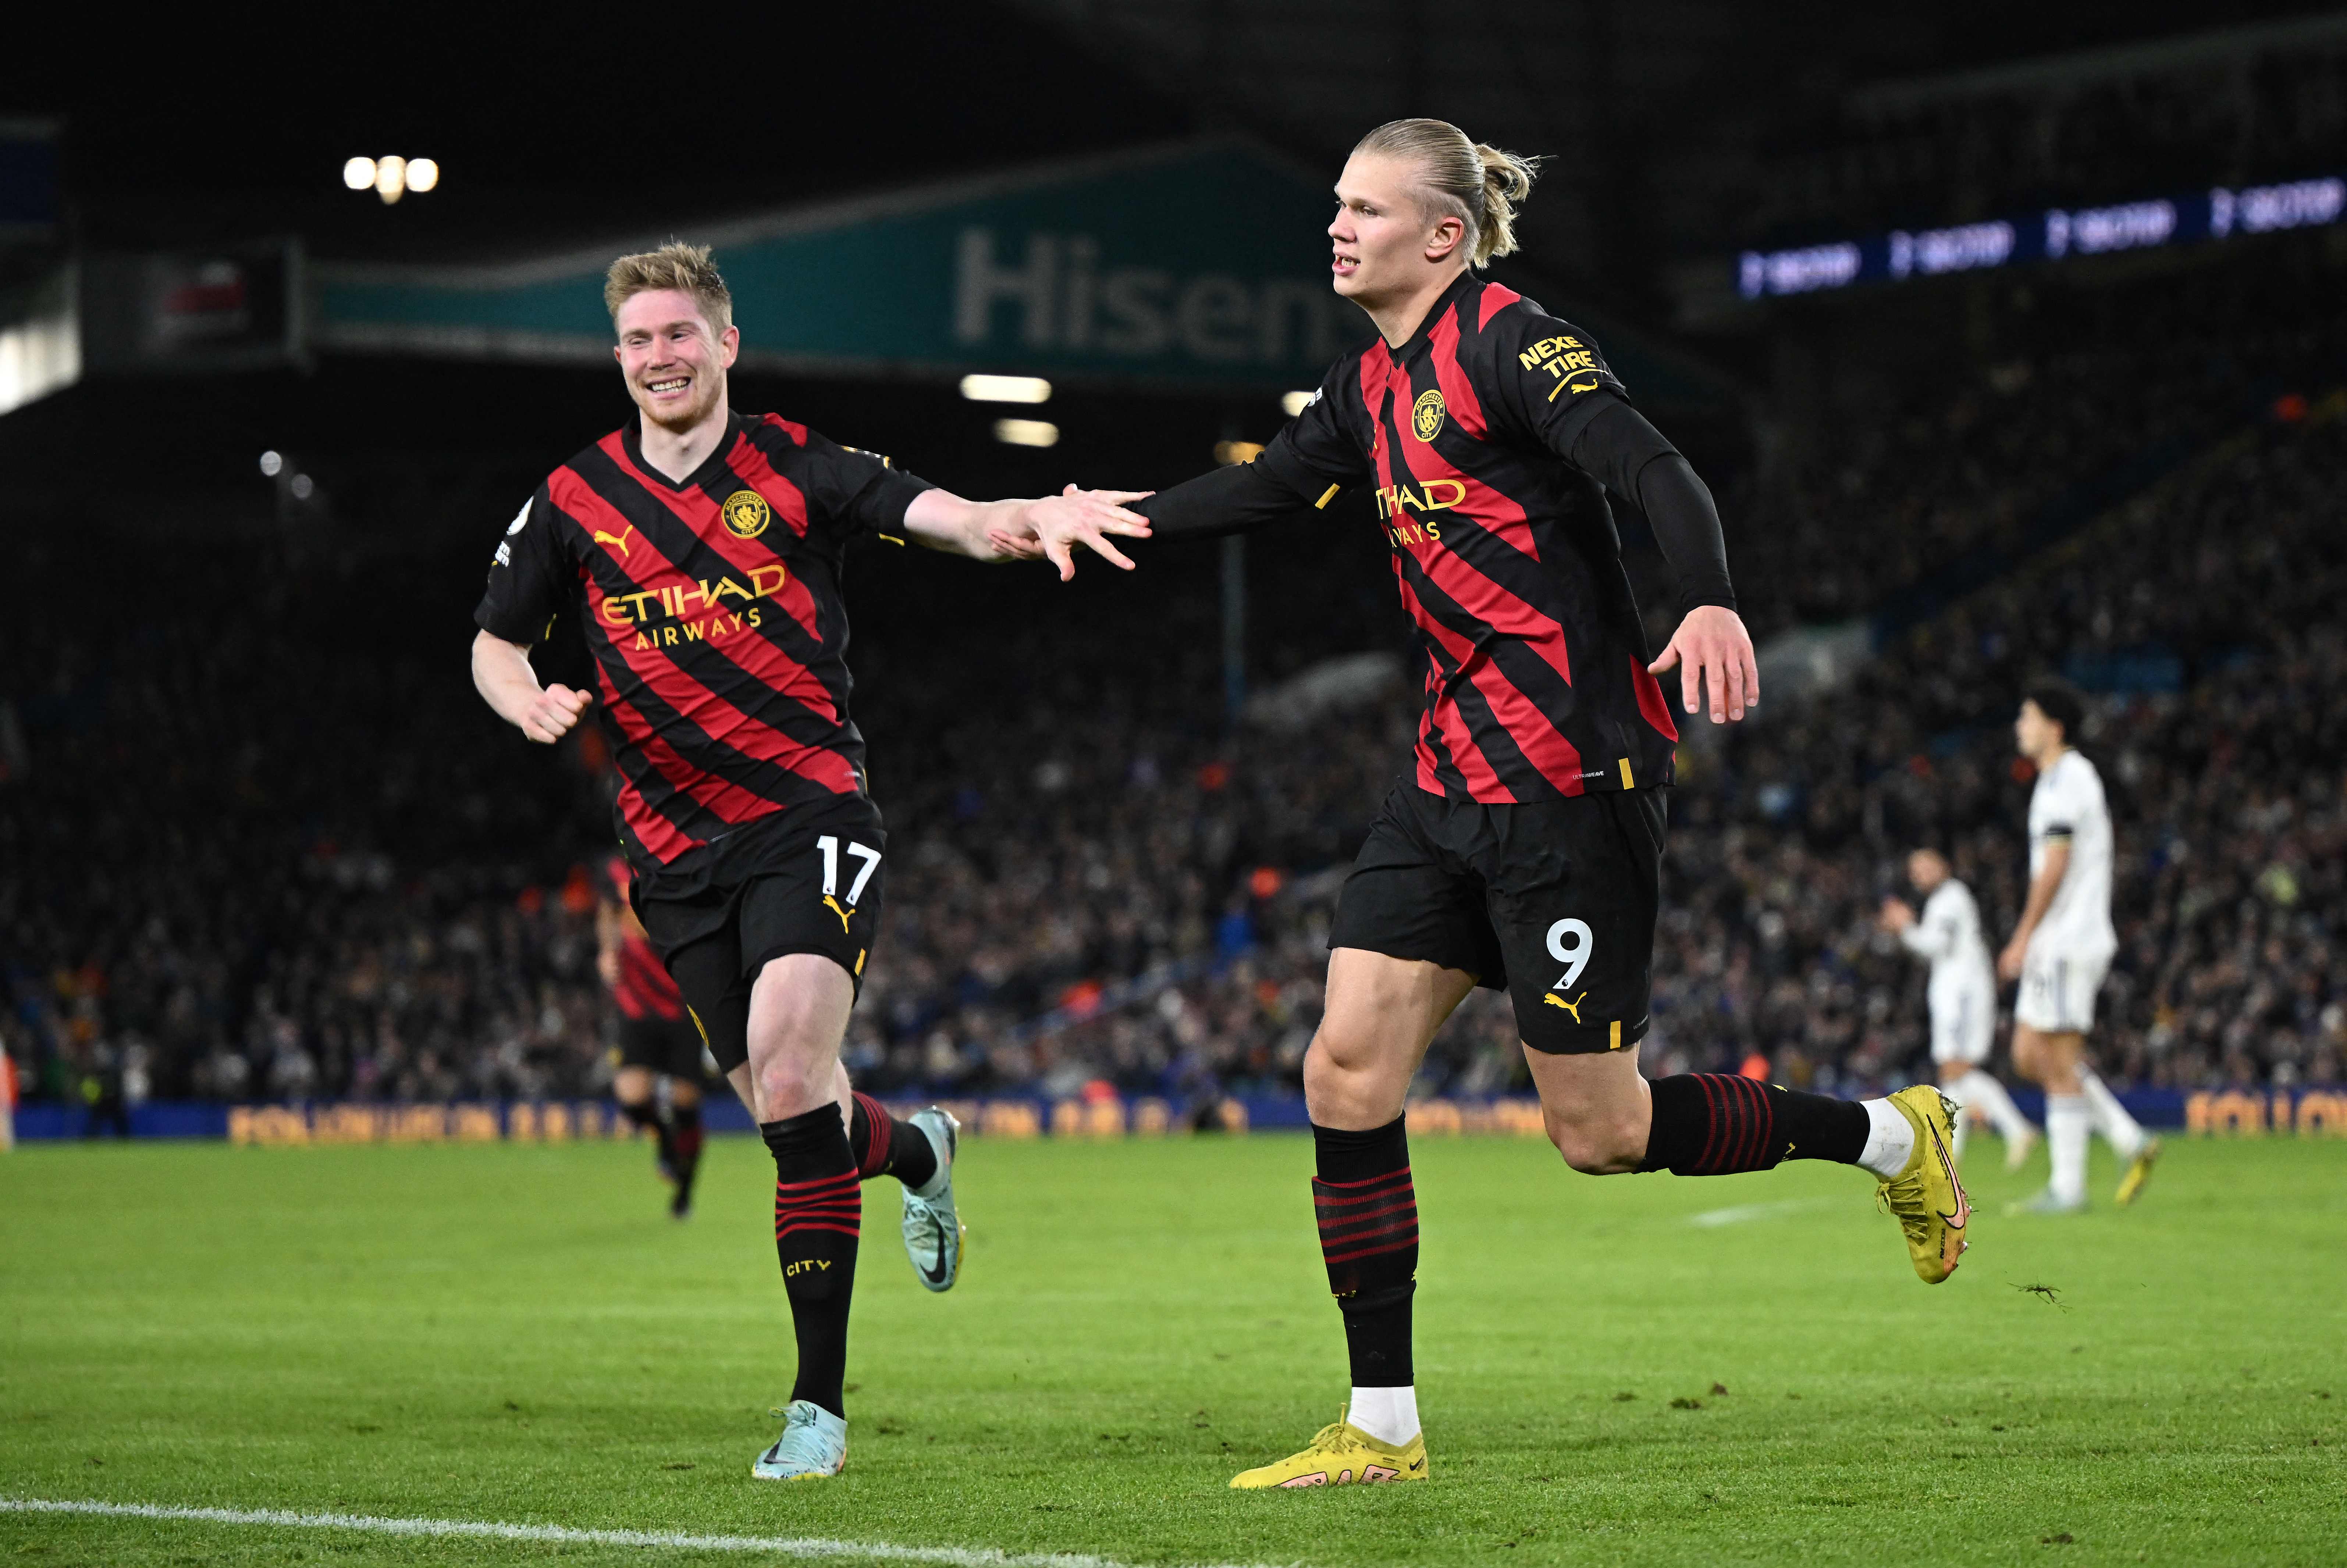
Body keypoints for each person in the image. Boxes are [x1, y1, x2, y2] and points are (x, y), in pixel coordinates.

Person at [1011, 118, 1970, 1489]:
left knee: (1604, 1132)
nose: (1336, 226)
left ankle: (1890, 1134)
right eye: (1334, 204)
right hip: (1446, 781)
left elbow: (1658, 468)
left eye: (1364, 208)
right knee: (1343, 1070)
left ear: (1443, 235)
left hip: (1571, 784)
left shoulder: (1514, 342)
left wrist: (1703, 593)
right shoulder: (1366, 383)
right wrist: (1112, 513)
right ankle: (1382, 1424)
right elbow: (1273, 487)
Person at [469, 242, 1149, 1480]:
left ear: (727, 344)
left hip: (807, 812)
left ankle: (817, 1409)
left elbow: (945, 517)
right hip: (671, 856)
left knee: (789, 1075)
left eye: (681, 334)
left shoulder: (796, 464)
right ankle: (922, 1149)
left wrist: (1024, 518)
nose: (660, 357)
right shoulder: (574, 497)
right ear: (618, 358)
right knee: (799, 1114)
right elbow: (494, 643)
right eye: (637, 340)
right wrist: (522, 700)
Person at [1999, 684, 2158, 1214]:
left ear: (2055, 726)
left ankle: (2068, 1188)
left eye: (2028, 715)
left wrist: (2023, 935)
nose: (2020, 725)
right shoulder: (2052, 781)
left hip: (2068, 938)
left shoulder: (2070, 778)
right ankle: (2125, 1135)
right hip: (2056, 940)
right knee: (2028, 1054)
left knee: (2058, 1059)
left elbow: (2057, 865)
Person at [1880, 847, 2037, 1168]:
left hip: (1962, 992)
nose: (1921, 874)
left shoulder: (1951, 898)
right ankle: (1966, 1145)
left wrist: (1905, 927)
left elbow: (1936, 945)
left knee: (1955, 1068)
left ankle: (2000, 1133)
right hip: (1959, 989)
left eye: (1926, 866)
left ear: (1944, 866)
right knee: (1955, 1071)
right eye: (1916, 871)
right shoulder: (1944, 901)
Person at [598, 853, 711, 1218]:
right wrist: (605, 952)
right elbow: (606, 913)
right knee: (632, 1097)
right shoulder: (617, 868)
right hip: (636, 1004)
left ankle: (684, 1192)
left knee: (685, 1104)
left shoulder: (686, 856)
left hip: (684, 1002)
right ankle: (664, 1141)